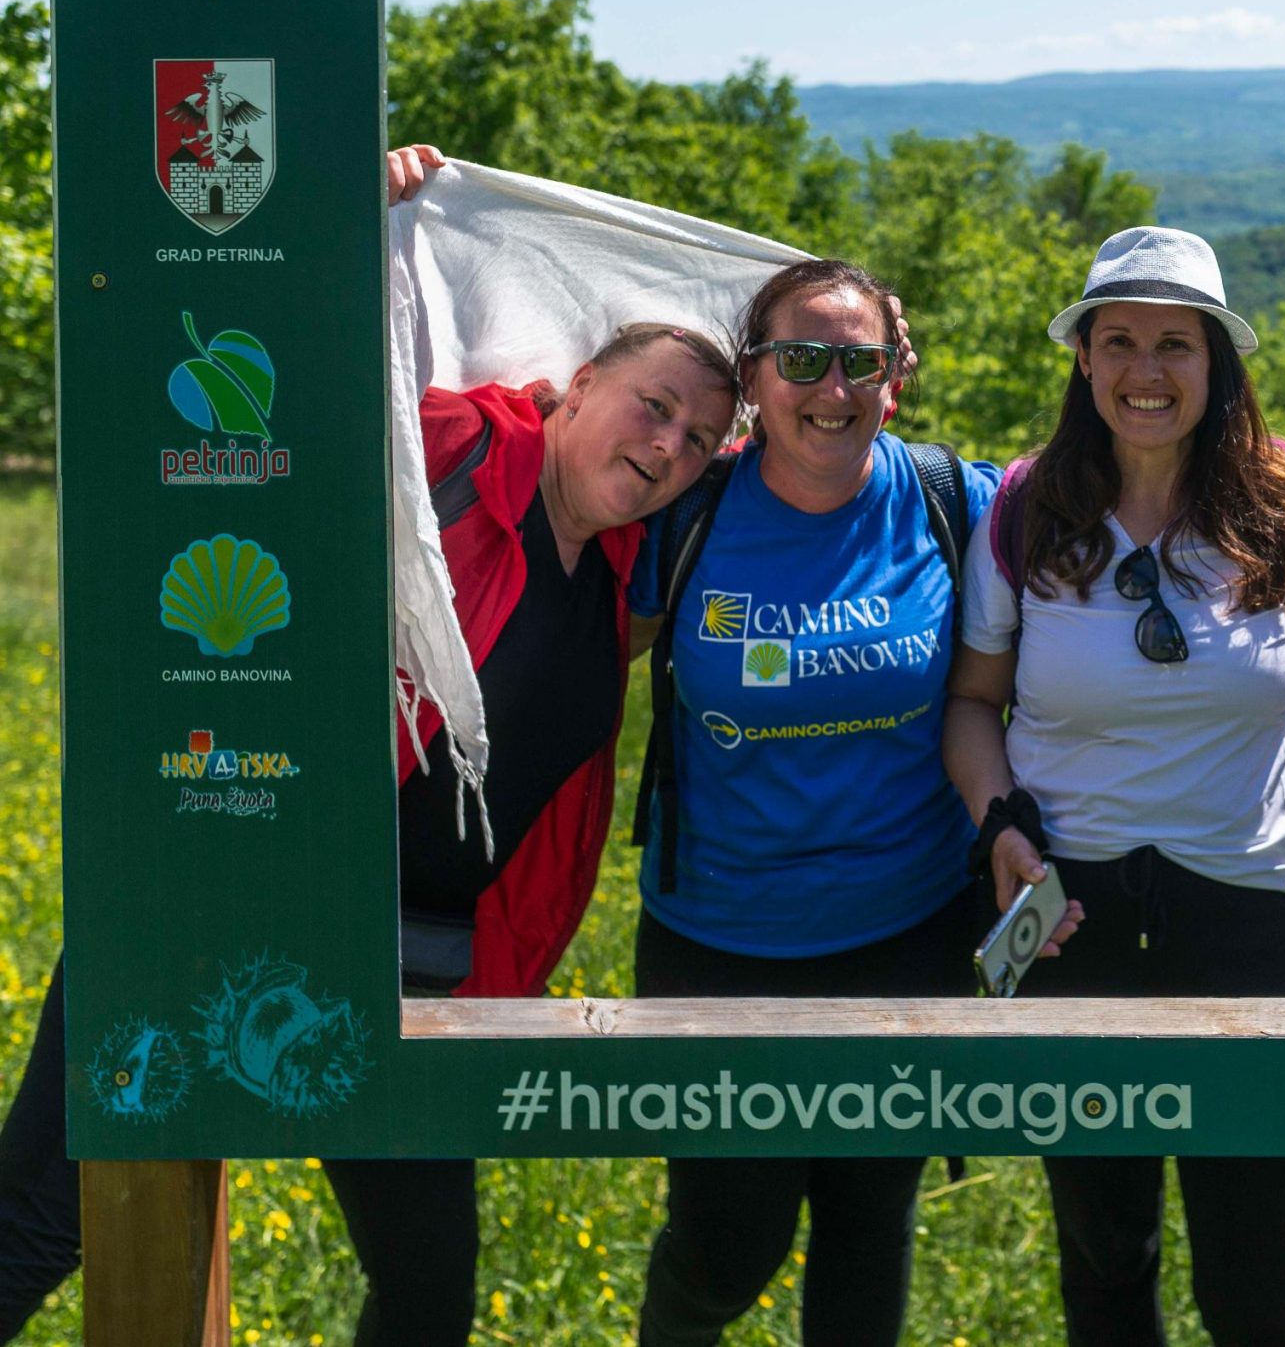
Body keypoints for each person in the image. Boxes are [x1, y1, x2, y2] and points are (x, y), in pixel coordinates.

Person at [0, 288, 740, 1343]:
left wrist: (842, 372)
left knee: (427, 1294)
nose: (669, 444)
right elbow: (292, 393)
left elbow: (801, 447)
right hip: (230, 911)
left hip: (415, 981)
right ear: (576, 387)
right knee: (43, 1219)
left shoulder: (623, 561)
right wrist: (344, 231)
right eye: (653, 405)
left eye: (698, 436)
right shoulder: (451, 447)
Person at [943, 226, 1285, 1347]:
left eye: (1176, 343)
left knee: (1253, 1263)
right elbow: (973, 702)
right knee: (1103, 1251)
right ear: (1083, 358)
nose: (1147, 369)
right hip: (1070, 913)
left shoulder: (1283, 498)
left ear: (1217, 361)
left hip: (1252, 910)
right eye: (1119, 340)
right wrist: (1000, 824)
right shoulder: (1026, 507)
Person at [624, 255, 1054, 1347]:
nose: (832, 387)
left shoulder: (954, 501)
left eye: (859, 362)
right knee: (727, 1246)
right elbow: (556, 568)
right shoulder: (686, 508)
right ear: (753, 378)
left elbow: (1106, 504)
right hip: (715, 942)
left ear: (894, 379)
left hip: (905, 934)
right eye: (803, 358)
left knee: (867, 1230)